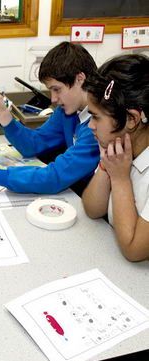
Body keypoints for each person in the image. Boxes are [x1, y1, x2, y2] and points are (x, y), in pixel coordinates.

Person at [0, 42, 100, 196]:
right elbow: (33, 145)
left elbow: (53, 178)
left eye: (57, 89)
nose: (53, 98)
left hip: (86, 200)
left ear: (80, 79)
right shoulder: (68, 110)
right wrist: (3, 115)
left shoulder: (99, 126)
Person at [82, 54, 149, 262]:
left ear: (131, 119)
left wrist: (120, 179)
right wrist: (106, 167)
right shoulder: (118, 149)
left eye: (96, 117)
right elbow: (93, 208)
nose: (90, 125)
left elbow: (134, 250)